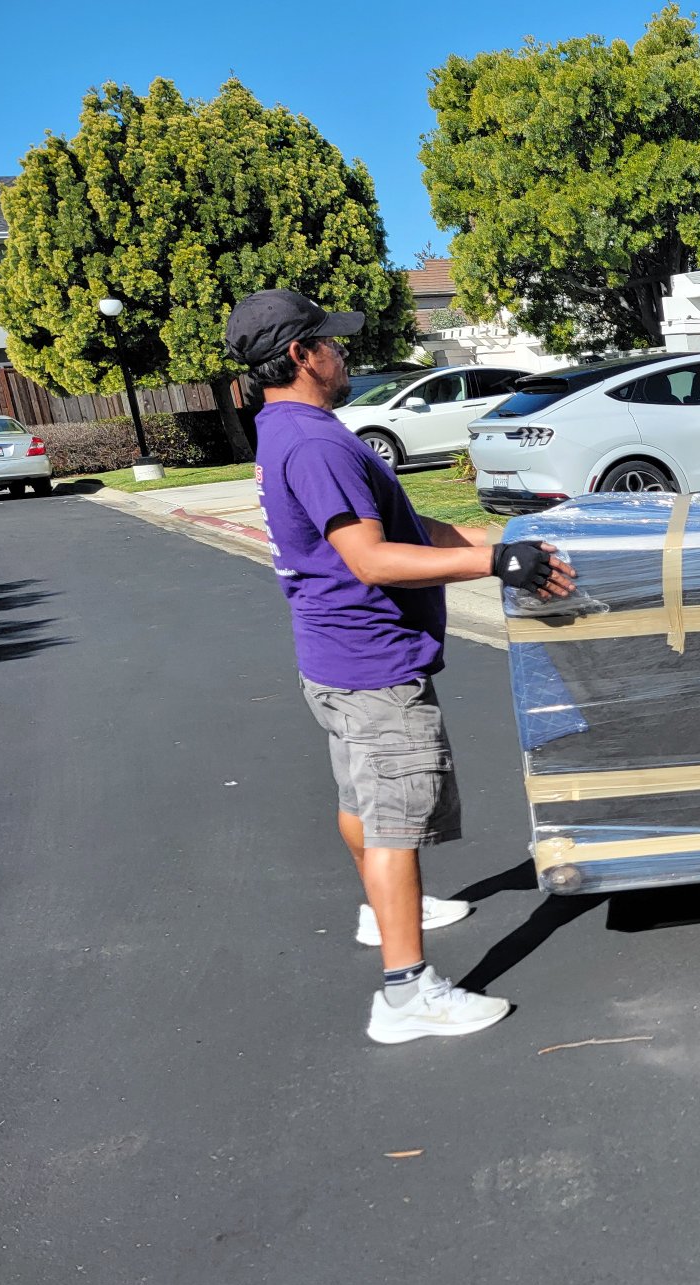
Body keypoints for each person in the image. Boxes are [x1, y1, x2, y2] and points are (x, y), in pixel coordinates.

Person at [224, 289, 576, 1042]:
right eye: (331, 341)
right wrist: (496, 563)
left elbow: (405, 527)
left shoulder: (289, 429)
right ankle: (407, 993)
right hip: (371, 665)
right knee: (394, 817)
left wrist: (494, 537)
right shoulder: (317, 444)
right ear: (300, 356)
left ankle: (390, 909)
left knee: (362, 796)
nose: (342, 352)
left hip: (334, 658)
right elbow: (372, 558)